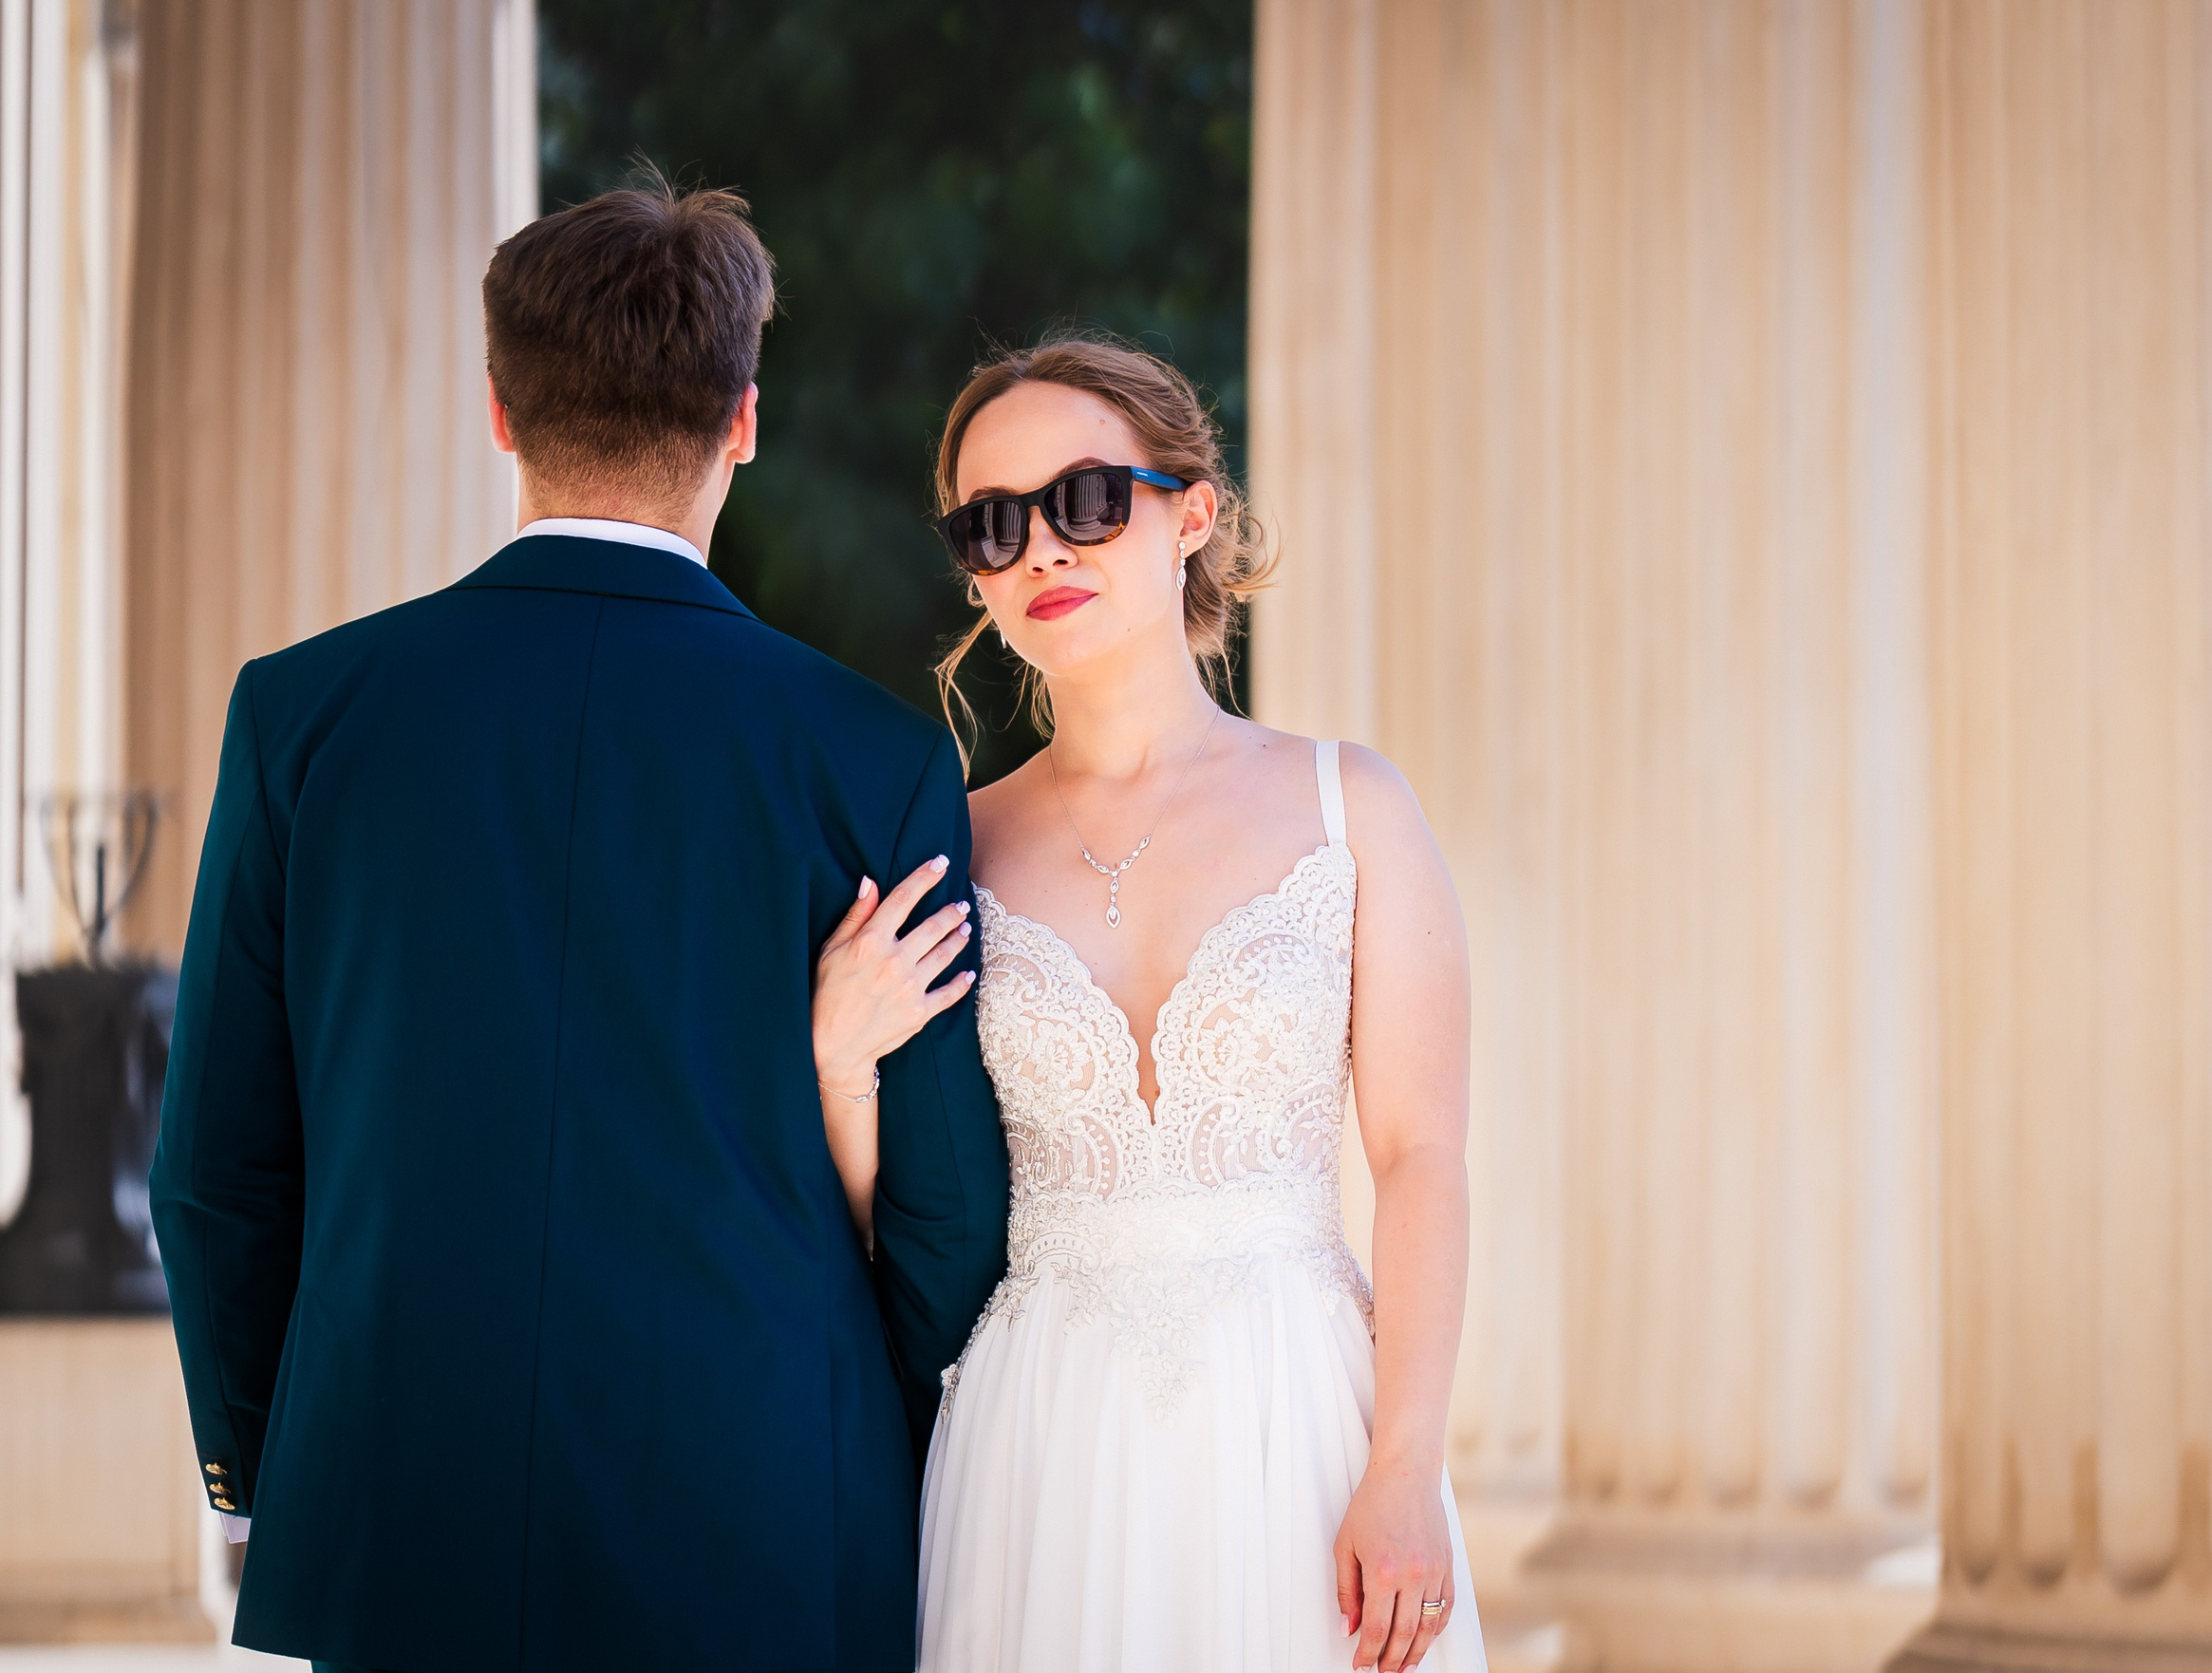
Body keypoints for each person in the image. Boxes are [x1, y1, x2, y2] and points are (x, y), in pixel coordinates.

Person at [149, 177, 1008, 1673]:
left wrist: (269, 1466)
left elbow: (216, 1172)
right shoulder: (873, 756)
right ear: (744, 418)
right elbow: (943, 1219)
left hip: (391, 1498)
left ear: (499, 409)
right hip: (765, 1510)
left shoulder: (304, 716)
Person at [814, 337, 1490, 1673]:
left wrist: (1406, 1460)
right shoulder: (954, 844)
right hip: (1037, 1440)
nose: (1042, 554)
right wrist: (838, 1056)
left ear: (1192, 513)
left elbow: (1423, 1159)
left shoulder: (1351, 805)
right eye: (994, 527)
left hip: (1297, 1421)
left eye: (1085, 501)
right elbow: (879, 1224)